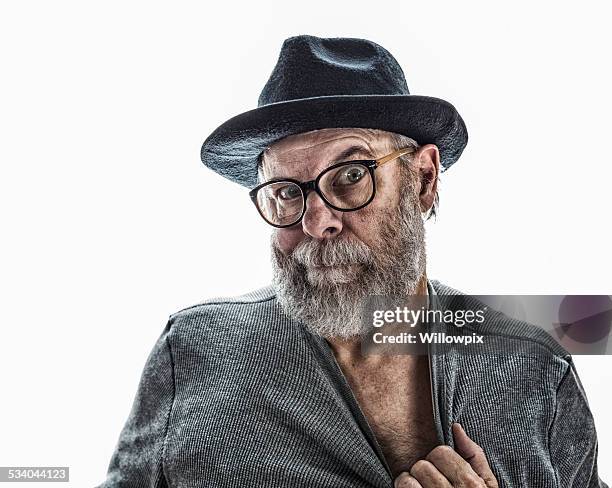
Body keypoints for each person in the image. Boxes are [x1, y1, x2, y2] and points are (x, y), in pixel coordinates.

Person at [97, 35, 607, 487]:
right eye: (284, 191)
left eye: (351, 176)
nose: (317, 223)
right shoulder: (194, 352)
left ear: (424, 179)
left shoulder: (534, 367)